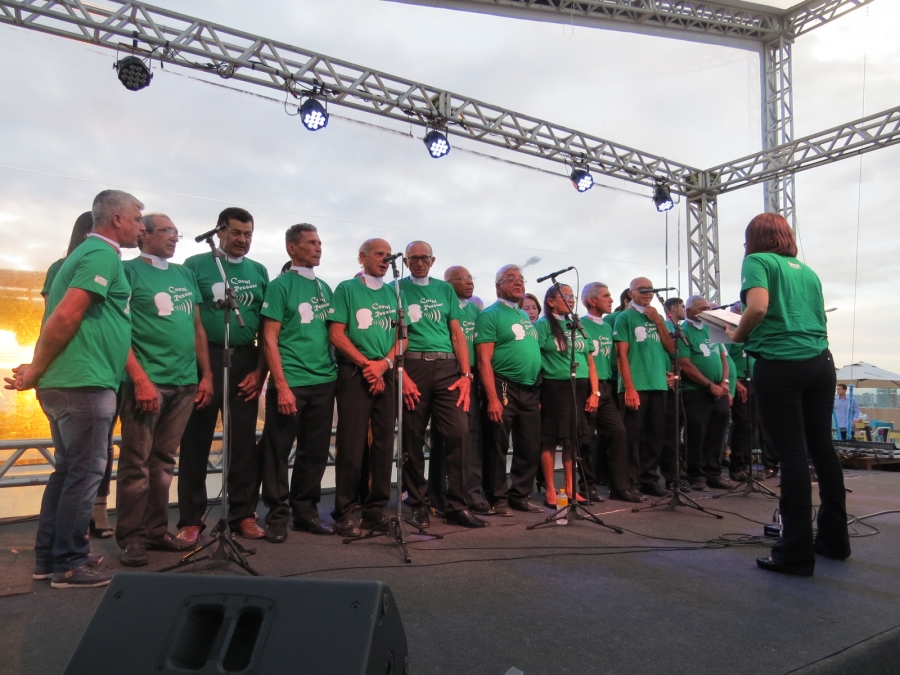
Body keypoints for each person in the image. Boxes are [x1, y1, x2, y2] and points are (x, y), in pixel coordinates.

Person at [6, 189, 143, 588]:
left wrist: (38, 370)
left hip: (69, 382)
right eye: (137, 218)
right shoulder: (100, 255)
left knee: (68, 472)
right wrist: (36, 370)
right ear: (116, 219)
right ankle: (70, 564)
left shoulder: (79, 257)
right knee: (84, 473)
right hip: (82, 383)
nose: (141, 225)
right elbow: (65, 315)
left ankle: (49, 559)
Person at [729, 213, 849, 576]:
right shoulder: (807, 271)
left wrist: (738, 336)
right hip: (820, 362)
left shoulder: (757, 261)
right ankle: (833, 540)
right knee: (823, 449)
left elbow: (760, 307)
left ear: (754, 238)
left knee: (793, 455)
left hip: (780, 363)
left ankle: (795, 553)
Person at [116, 213, 214, 566]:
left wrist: (206, 375)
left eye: (177, 232)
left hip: (185, 381)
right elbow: (118, 331)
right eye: (168, 231)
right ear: (144, 234)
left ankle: (156, 532)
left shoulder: (184, 274)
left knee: (163, 461)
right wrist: (140, 379)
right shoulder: (127, 272)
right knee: (136, 463)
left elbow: (198, 328)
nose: (175, 238)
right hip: (148, 381)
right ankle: (131, 538)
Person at [178, 207, 270, 544]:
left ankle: (243, 515)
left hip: (246, 361)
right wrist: (205, 373)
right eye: (235, 233)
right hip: (207, 361)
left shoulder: (259, 270)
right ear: (219, 232)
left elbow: (265, 327)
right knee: (195, 442)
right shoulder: (195, 266)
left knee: (243, 444)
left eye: (248, 234)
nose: (242, 240)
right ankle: (190, 520)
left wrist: (261, 371)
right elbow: (193, 321)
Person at [395, 243, 485, 529]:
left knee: (459, 433)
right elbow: (393, 332)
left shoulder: (445, 290)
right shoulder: (395, 288)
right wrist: (401, 373)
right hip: (413, 364)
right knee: (412, 436)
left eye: (424, 258)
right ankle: (419, 505)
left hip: (448, 368)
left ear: (432, 260)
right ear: (406, 261)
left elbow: (457, 333)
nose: (419, 262)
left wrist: (466, 375)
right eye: (413, 258)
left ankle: (457, 505)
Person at [259, 224, 338, 542]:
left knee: (315, 452)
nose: (318, 247)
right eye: (310, 243)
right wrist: (281, 385)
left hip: (324, 380)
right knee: (277, 451)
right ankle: (277, 516)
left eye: (320, 242)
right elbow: (268, 337)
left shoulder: (325, 288)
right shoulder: (280, 286)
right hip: (291, 381)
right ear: (292, 248)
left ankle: (305, 512)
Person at [41, 211, 117, 538]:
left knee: (80, 463)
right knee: (82, 467)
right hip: (82, 373)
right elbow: (59, 317)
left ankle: (55, 550)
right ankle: (70, 555)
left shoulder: (110, 263)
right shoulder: (73, 265)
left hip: (93, 373)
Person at [328, 238, 399, 537]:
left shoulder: (395, 293)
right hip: (356, 373)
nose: (385, 259)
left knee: (384, 445)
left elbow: (404, 336)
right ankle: (344, 511)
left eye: (388, 255)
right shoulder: (347, 289)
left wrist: (383, 364)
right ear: (362, 257)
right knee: (352, 444)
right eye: (379, 254)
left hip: (386, 371)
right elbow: (336, 333)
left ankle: (375, 511)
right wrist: (367, 365)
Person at [475, 265, 544, 515]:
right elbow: (483, 360)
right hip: (503, 386)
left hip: (529, 389)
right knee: (496, 445)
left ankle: (520, 495)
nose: (518, 283)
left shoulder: (523, 316)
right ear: (498, 286)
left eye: (521, 279)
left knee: (529, 444)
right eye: (511, 279)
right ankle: (497, 497)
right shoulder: (490, 315)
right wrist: (491, 396)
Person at [428, 265, 494, 516]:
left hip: (472, 377)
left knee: (472, 437)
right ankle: (437, 494)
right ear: (448, 283)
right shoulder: (443, 305)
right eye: (462, 278)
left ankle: (471, 492)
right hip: (447, 376)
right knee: (444, 439)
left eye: (470, 278)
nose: (469, 282)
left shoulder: (477, 311)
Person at [535, 285, 599, 505]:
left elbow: (590, 362)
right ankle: (550, 490)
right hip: (555, 387)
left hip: (580, 388)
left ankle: (571, 488)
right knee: (551, 440)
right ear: (551, 301)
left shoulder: (578, 325)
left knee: (573, 441)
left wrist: (595, 392)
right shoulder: (543, 325)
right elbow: (535, 358)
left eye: (572, 296)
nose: (570, 300)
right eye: (565, 296)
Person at [613, 278, 676, 497]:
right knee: (632, 437)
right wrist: (629, 388)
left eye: (650, 289)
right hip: (636, 385)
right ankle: (629, 483)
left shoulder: (660, 319)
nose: (648, 293)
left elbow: (671, 349)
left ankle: (649, 479)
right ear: (631, 293)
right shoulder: (625, 317)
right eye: (642, 289)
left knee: (655, 436)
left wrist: (659, 322)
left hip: (658, 384)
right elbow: (621, 354)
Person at [581, 282, 643, 503]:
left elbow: (616, 358)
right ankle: (586, 487)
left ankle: (619, 487)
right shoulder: (580, 325)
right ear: (592, 300)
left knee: (619, 433)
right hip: (587, 387)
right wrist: (593, 390)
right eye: (606, 296)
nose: (611, 299)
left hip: (607, 385)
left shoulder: (608, 326)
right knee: (585, 438)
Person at [677, 296, 737, 492]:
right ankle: (696, 475)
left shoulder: (712, 328)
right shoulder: (682, 331)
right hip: (695, 391)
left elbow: (723, 358)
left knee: (717, 433)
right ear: (689, 312)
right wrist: (709, 384)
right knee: (697, 434)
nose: (708, 311)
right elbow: (685, 364)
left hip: (719, 390)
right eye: (703, 309)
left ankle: (713, 473)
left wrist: (725, 381)